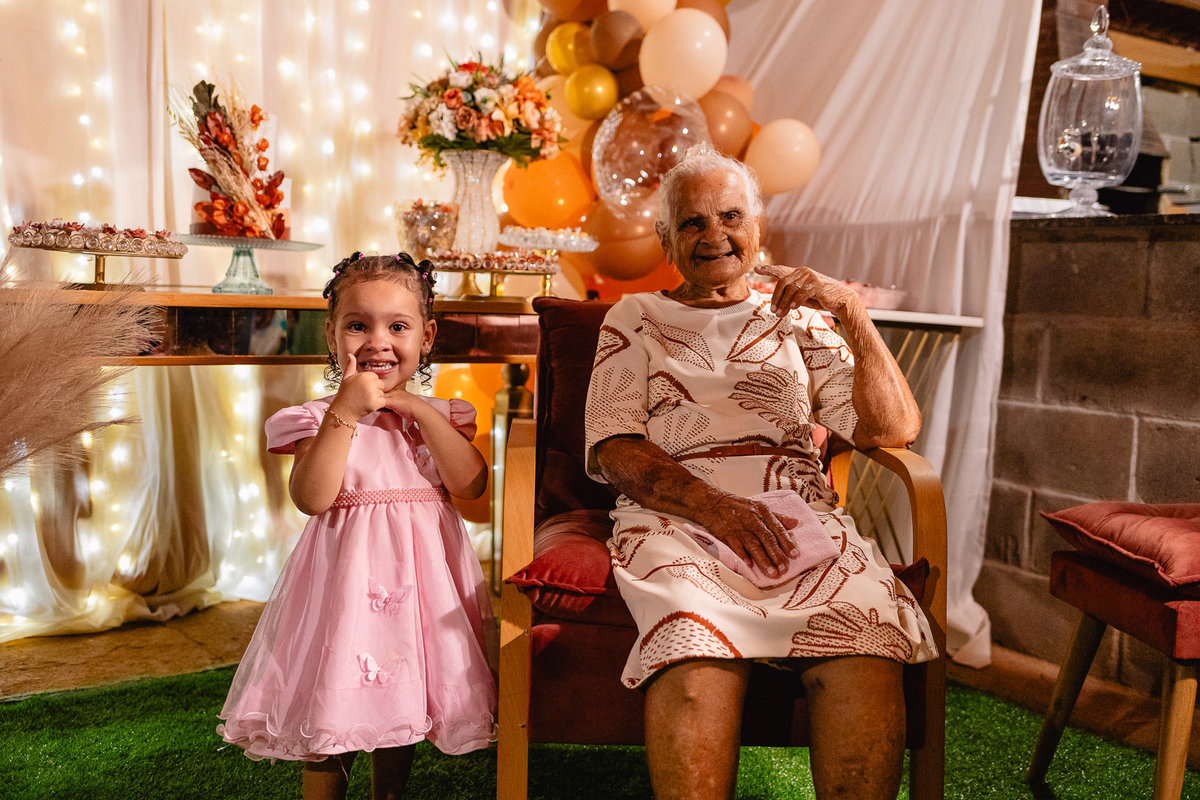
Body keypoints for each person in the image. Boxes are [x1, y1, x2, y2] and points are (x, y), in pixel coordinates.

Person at [583, 144, 938, 800]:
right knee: (694, 650)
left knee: (865, 638)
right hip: (677, 516)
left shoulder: (800, 320)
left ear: (759, 227)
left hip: (797, 515)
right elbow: (616, 446)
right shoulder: (635, 319)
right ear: (665, 239)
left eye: (730, 217)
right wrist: (719, 509)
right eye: (692, 223)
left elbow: (891, 431)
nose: (714, 234)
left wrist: (852, 315)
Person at [218, 252, 497, 800]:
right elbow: (311, 497)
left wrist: (419, 411)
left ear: (427, 335)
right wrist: (345, 411)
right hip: (345, 592)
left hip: (417, 594)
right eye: (357, 325)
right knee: (334, 705)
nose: (377, 341)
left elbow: (470, 485)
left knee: (404, 703)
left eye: (397, 326)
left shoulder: (440, 416)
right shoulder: (317, 419)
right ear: (331, 335)